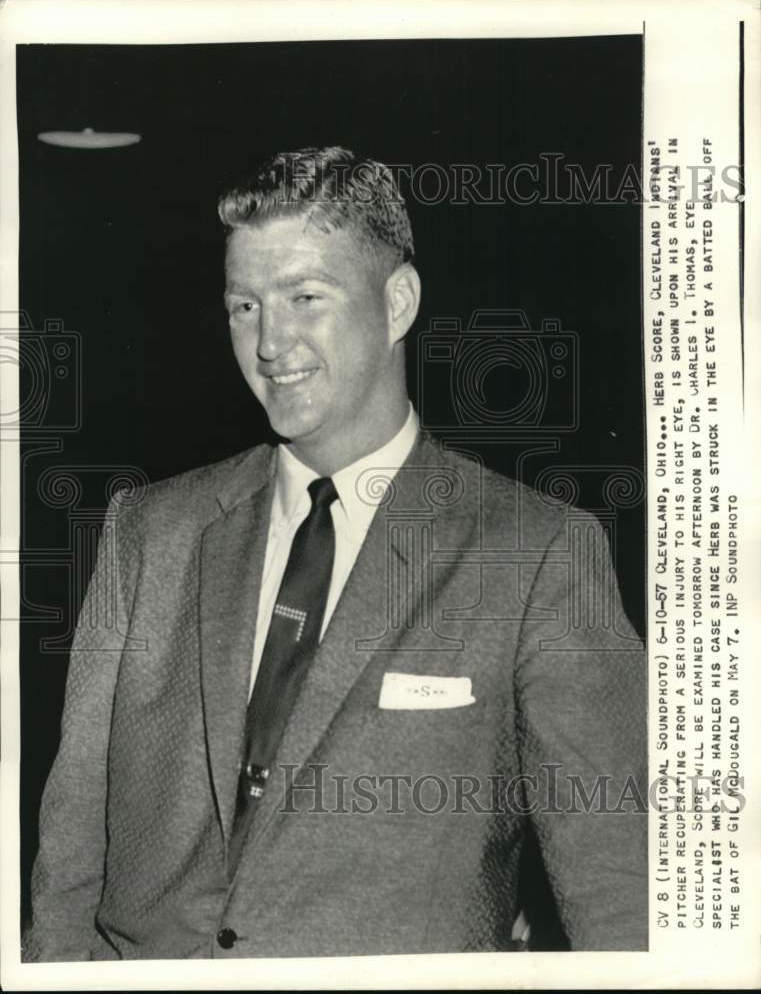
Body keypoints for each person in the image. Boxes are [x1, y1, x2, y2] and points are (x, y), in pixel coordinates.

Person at [23, 146, 647, 961]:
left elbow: (618, 893)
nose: (269, 342)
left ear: (397, 302)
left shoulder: (538, 555)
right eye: (244, 306)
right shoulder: (147, 532)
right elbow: (72, 852)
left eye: (305, 298)